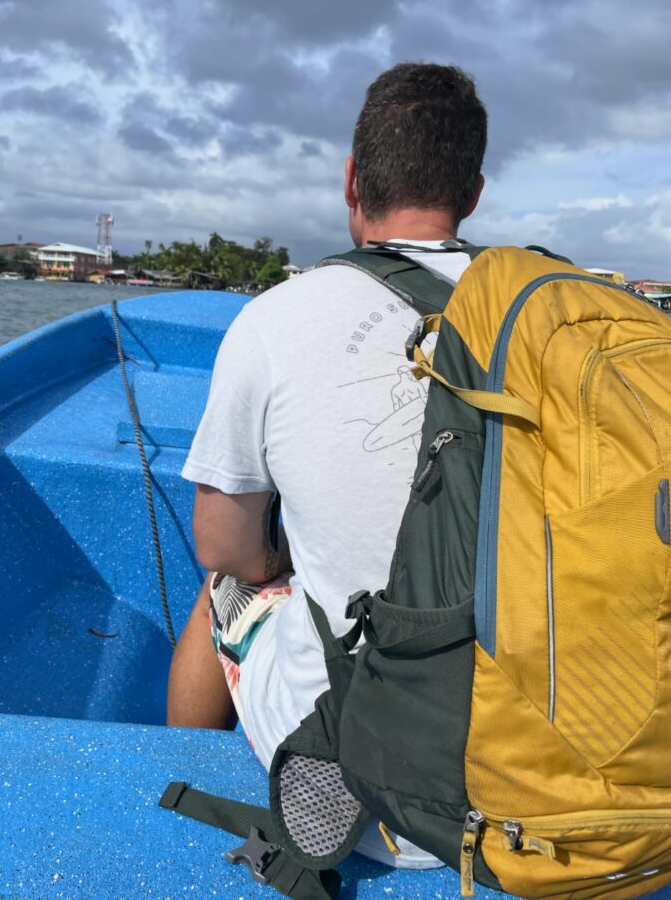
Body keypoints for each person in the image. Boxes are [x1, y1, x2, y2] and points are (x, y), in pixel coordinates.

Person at [167, 62, 487, 867]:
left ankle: (176, 783)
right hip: (566, 782)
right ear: (473, 193)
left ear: (352, 180)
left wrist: (277, 560)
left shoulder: (276, 319)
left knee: (224, 585)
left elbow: (222, 544)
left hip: (386, 804)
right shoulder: (551, 316)